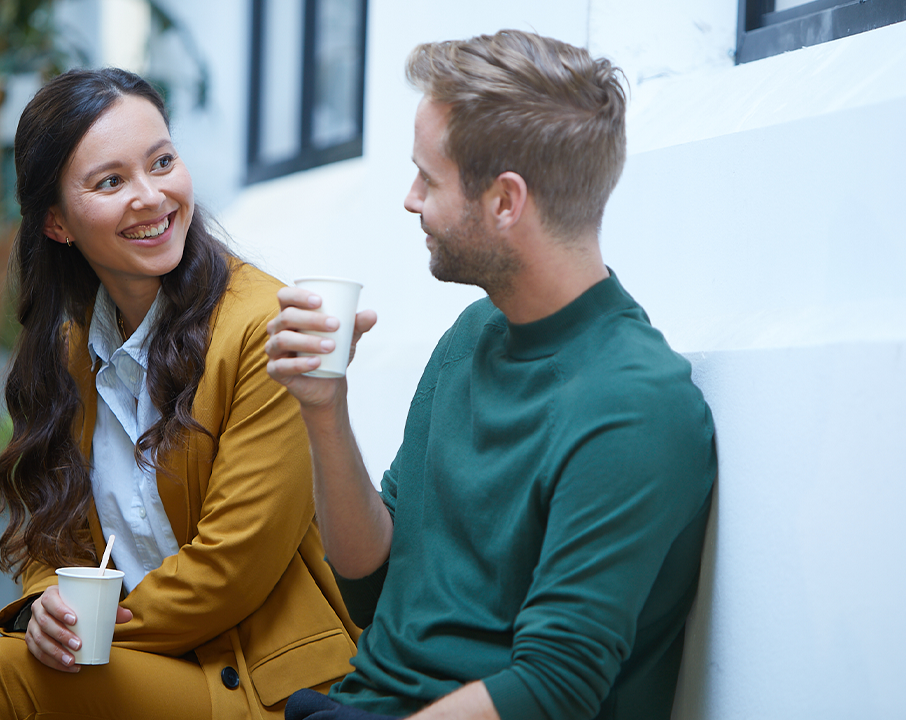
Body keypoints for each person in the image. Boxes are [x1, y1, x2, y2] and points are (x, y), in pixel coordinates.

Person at [265, 30, 717, 720]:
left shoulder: (635, 404)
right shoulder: (473, 336)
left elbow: (551, 689)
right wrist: (324, 409)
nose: (410, 199)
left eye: (429, 177)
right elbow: (370, 587)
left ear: (506, 201)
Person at [0, 67, 359, 719]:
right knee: (6, 669)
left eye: (162, 162)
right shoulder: (74, 350)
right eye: (110, 181)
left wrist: (83, 635)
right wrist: (49, 609)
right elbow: (56, 535)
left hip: (263, 687)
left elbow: (229, 572)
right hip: (142, 673)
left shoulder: (261, 326)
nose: (151, 197)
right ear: (58, 223)